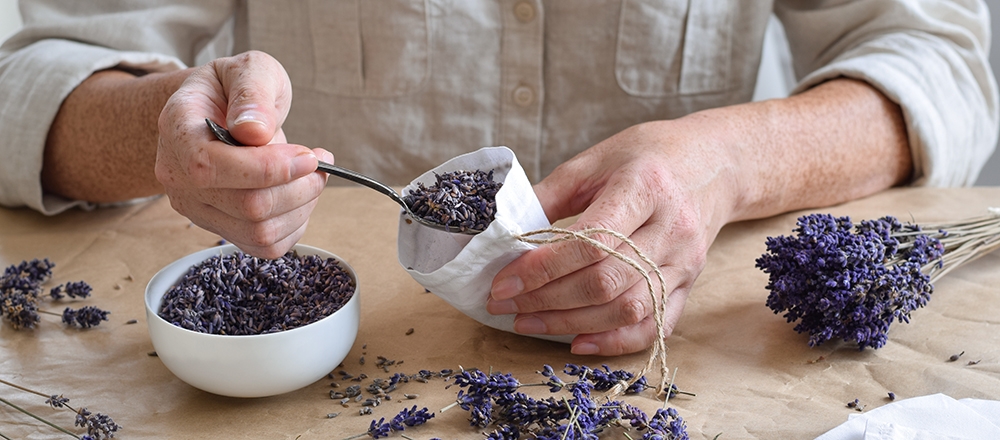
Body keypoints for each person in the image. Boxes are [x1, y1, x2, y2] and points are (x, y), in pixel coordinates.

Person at [0, 1, 996, 357]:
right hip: (349, 350)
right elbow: (28, 68)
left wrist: (728, 160)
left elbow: (939, 56)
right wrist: (161, 126)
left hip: (699, 351)